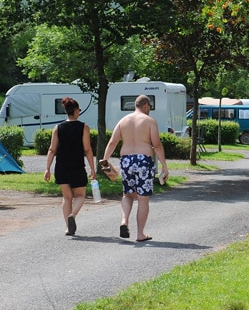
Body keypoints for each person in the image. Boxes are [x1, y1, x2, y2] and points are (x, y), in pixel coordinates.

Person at [102, 95, 169, 242]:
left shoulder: (123, 120)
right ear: (145, 106)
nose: (149, 110)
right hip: (143, 160)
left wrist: (105, 161)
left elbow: (113, 142)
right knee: (143, 199)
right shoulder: (149, 121)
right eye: (149, 107)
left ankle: (124, 221)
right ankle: (140, 234)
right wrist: (164, 165)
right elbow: (156, 145)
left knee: (127, 195)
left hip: (126, 160)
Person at [44, 96, 96, 236]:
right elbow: (87, 149)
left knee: (67, 197)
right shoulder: (83, 127)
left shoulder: (58, 128)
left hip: (61, 166)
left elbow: (52, 149)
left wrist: (47, 168)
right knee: (80, 195)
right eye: (78, 109)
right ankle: (72, 215)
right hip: (77, 166)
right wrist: (92, 168)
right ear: (75, 111)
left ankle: (68, 227)